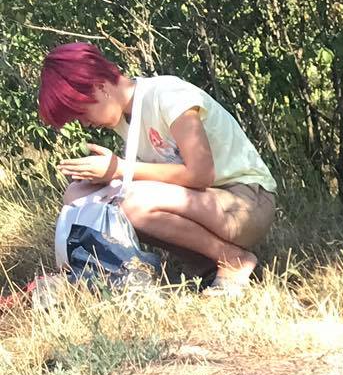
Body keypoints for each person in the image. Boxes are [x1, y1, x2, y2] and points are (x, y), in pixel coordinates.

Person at [39, 42, 278, 295]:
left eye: (82, 113)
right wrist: (106, 176)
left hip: (245, 201)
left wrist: (120, 170)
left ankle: (231, 259)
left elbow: (201, 174)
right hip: (209, 204)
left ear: (100, 87)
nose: (85, 124)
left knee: (132, 203)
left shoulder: (167, 94)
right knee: (77, 195)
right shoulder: (125, 119)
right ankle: (203, 262)